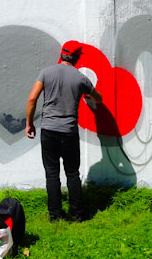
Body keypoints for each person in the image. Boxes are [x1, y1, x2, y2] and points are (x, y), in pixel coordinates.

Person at [26, 41, 102, 222]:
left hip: (49, 131)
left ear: (61, 55)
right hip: (69, 132)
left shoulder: (45, 73)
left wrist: (29, 123)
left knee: (52, 174)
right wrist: (88, 95)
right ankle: (78, 215)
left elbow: (32, 99)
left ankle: (55, 216)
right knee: (72, 174)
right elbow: (98, 98)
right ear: (76, 58)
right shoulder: (81, 78)